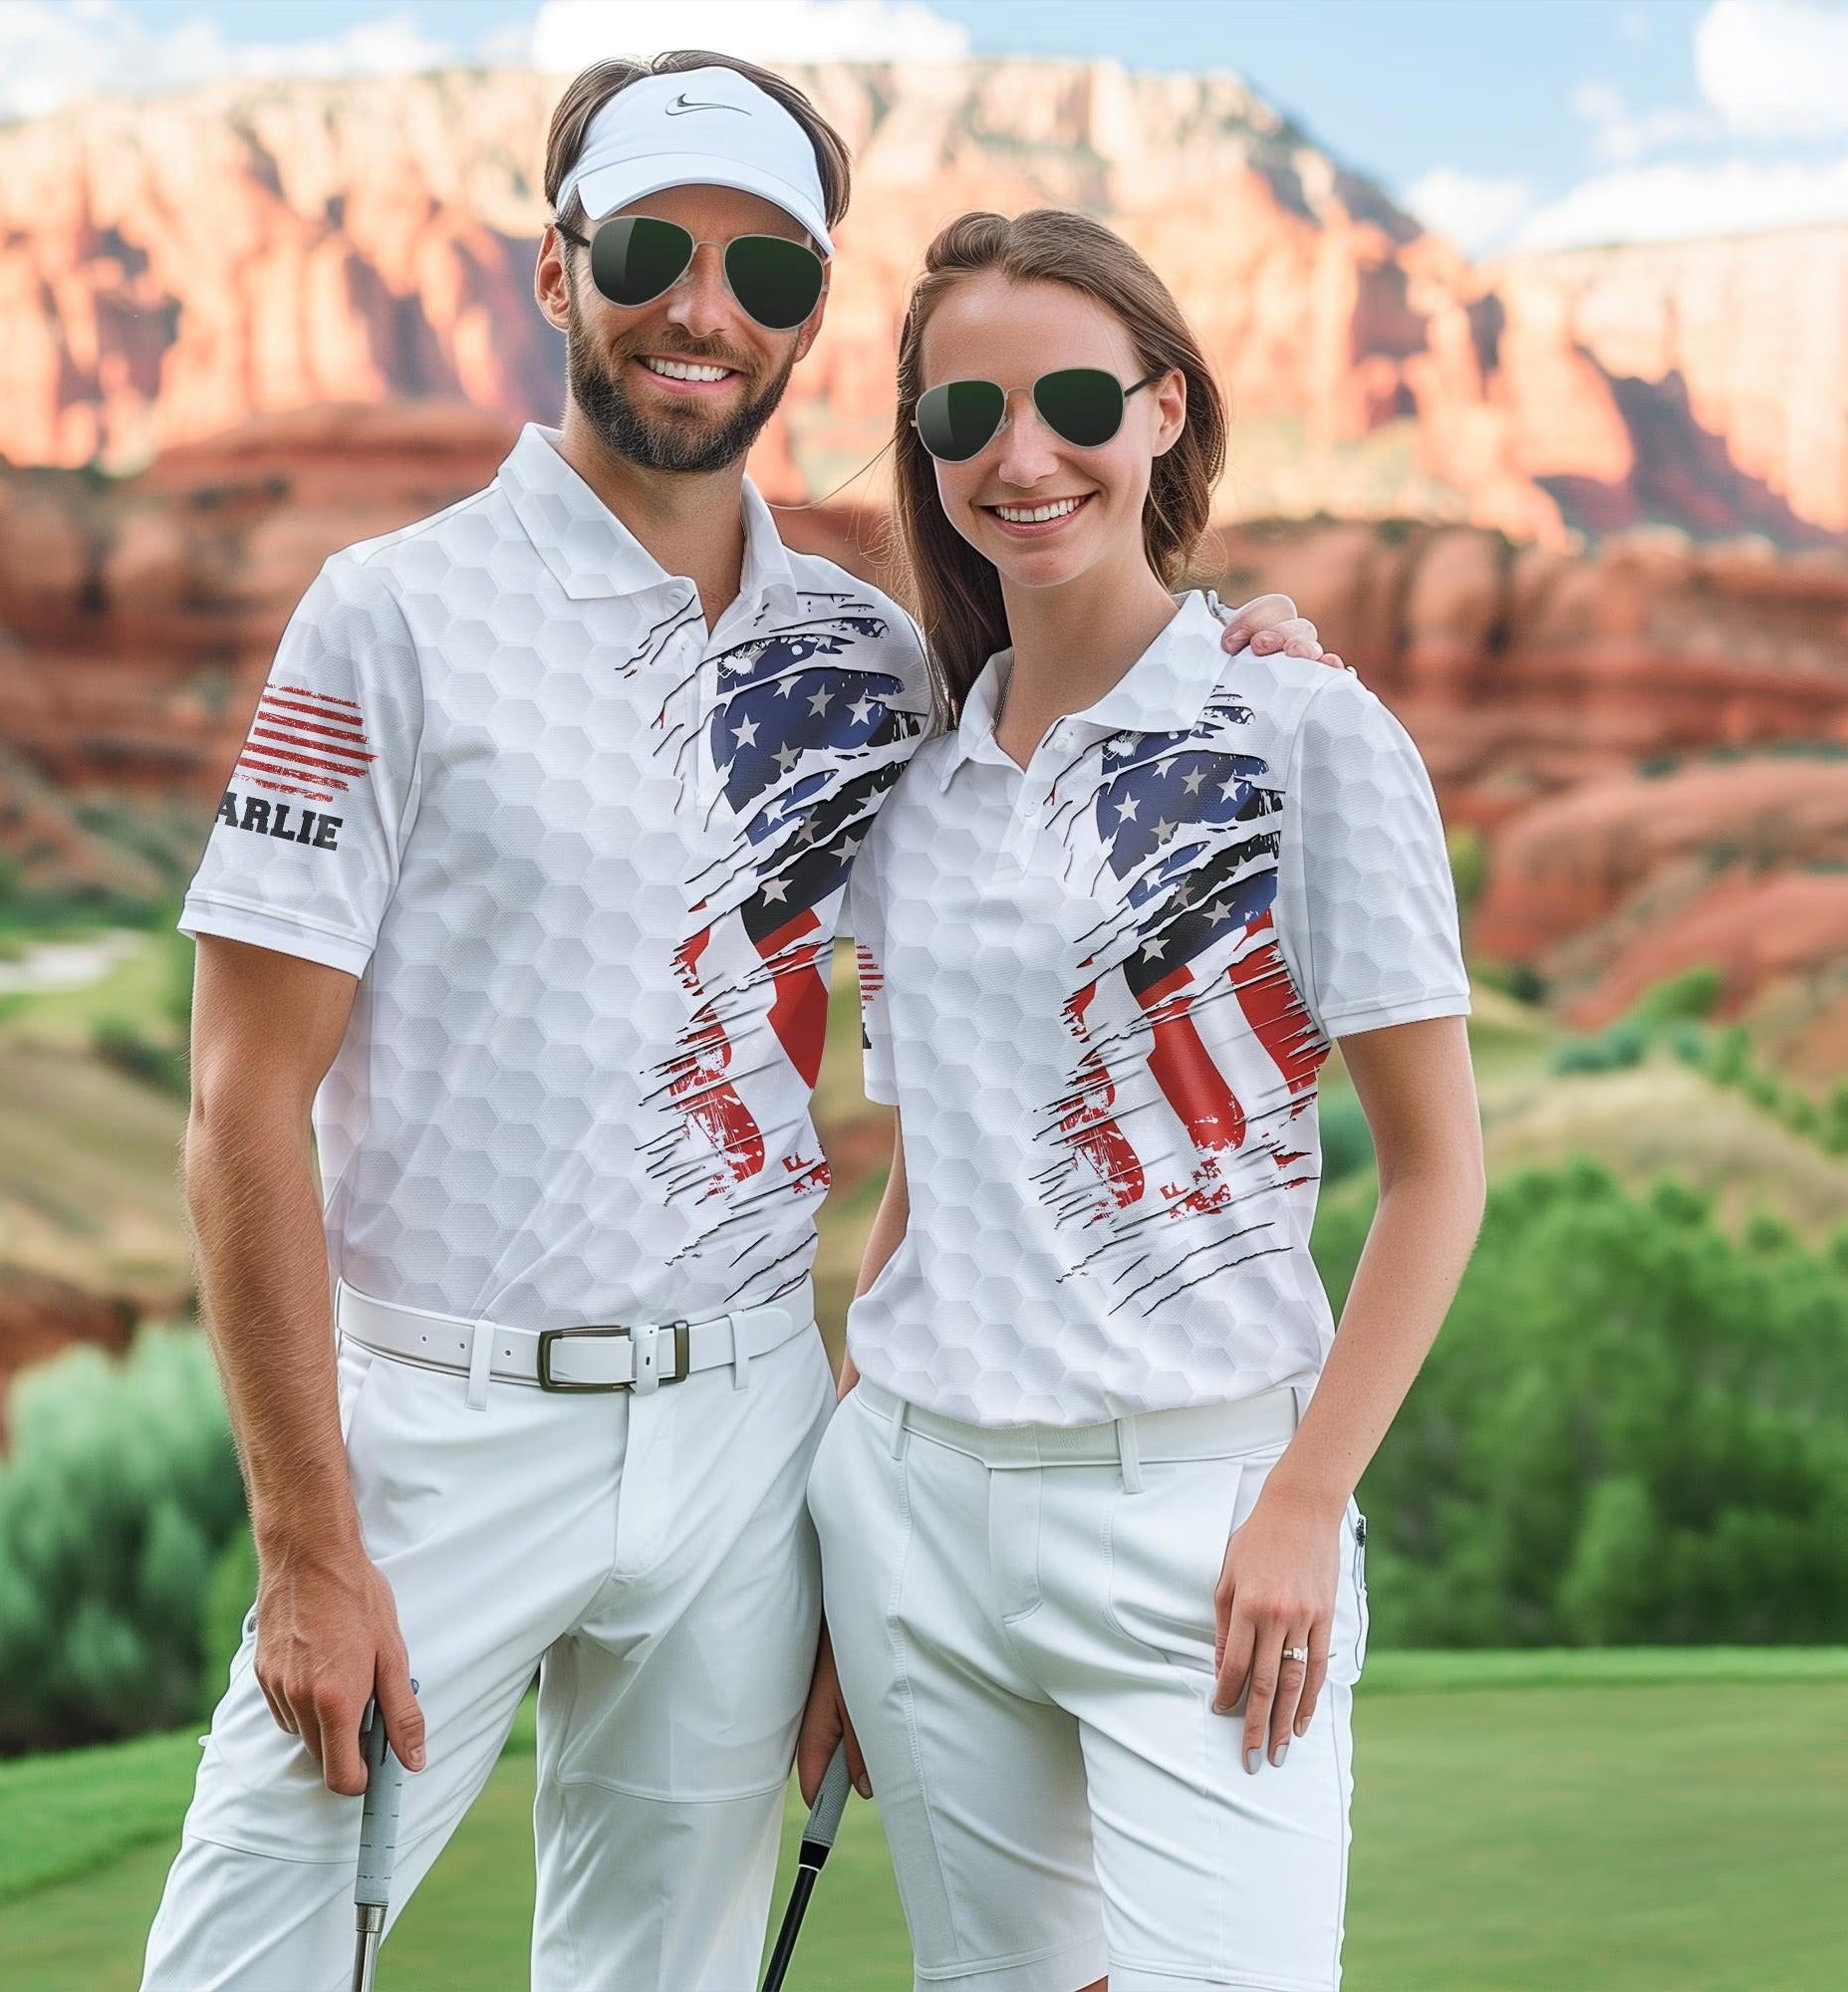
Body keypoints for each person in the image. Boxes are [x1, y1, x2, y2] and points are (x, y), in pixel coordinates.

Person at [137, 55, 1331, 1992]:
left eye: (765, 272)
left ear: (808, 314)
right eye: (653, 253)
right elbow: (237, 1099)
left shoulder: (864, 655)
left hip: (750, 1434)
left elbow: (1047, 808)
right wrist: (305, 1546)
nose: (704, 309)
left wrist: (1243, 662)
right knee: (244, 1959)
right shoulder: (387, 617)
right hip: (436, 1431)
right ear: (559, 268)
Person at [800, 207, 1487, 1992]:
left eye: (1076, 402)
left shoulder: (1306, 737)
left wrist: (1305, 1502)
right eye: (967, 415)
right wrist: (842, 1511)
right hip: (911, 1511)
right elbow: (933, 1169)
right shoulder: (919, 790)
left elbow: (1439, 1178)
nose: (1022, 457)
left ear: (1164, 409)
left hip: (1200, 1513)